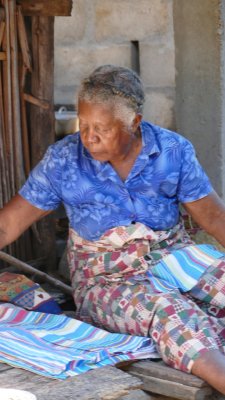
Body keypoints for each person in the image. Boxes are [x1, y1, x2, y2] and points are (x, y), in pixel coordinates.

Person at [1, 64, 225, 394]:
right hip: (107, 278)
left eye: (102, 129)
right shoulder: (64, 160)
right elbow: (8, 223)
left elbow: (215, 219)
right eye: (83, 124)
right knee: (171, 313)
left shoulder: (172, 152)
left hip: (174, 258)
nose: (88, 137)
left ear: (134, 123)